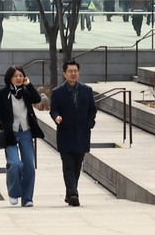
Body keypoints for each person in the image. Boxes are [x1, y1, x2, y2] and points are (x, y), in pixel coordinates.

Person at [0, 66, 44, 207]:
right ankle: (14, 193)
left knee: (29, 166)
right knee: (15, 163)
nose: (19, 78)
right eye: (16, 76)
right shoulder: (2, 94)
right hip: (11, 133)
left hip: (26, 132)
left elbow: (37, 98)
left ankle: (27, 198)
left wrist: (29, 84)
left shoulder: (26, 92)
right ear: (9, 78)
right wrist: (2, 125)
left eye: (21, 75)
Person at [50, 61, 96, 206]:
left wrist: (90, 123)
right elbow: (54, 109)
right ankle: (74, 194)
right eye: (70, 71)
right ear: (64, 74)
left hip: (82, 133)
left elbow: (92, 110)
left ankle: (70, 192)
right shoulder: (57, 92)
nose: (73, 73)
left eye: (75, 71)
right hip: (65, 133)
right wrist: (56, 117)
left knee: (77, 166)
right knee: (68, 165)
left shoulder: (87, 90)